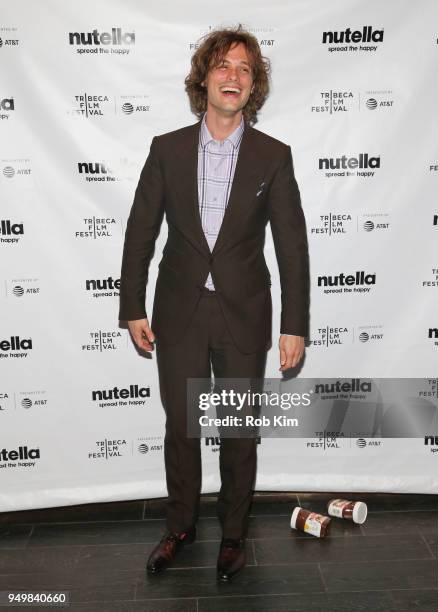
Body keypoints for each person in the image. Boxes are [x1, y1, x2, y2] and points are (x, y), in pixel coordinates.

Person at [118, 24, 310, 581]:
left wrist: (294, 323)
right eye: (223, 65)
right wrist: (132, 305)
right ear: (204, 77)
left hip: (244, 313)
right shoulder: (167, 149)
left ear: (254, 86)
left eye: (245, 69)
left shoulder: (274, 156)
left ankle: (233, 532)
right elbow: (140, 232)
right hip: (179, 310)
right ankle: (180, 525)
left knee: (238, 429)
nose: (234, 76)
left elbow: (291, 244)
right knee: (181, 425)